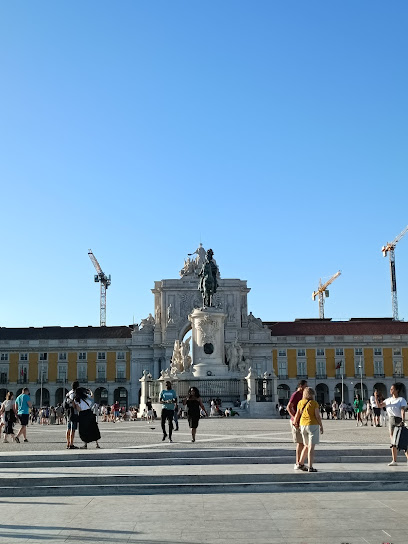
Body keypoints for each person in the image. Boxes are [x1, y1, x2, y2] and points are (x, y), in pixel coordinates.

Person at [376, 384, 408, 466]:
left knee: (403, 441)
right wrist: (376, 398)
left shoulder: (401, 400)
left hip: (398, 419)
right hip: (391, 420)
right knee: (393, 441)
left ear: (397, 390)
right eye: (390, 389)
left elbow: (402, 410)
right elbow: (379, 406)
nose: (390, 390)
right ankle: (394, 460)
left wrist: (403, 420)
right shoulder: (388, 400)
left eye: (392, 389)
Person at [296, 387, 324, 473]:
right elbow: (317, 416)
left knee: (306, 445)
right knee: (311, 447)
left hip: (303, 425)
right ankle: (310, 467)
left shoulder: (300, 402)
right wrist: (321, 425)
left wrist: (295, 422)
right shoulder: (314, 403)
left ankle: (300, 463)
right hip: (312, 425)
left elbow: (298, 413)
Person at [71, 384, 101, 449]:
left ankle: (85, 444)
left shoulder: (76, 400)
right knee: (93, 428)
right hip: (89, 413)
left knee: (83, 429)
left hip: (82, 415)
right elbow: (92, 396)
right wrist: (90, 391)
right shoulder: (86, 397)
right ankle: (97, 444)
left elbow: (78, 409)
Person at [286, 379, 308, 470]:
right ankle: (297, 463)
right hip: (296, 421)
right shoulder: (295, 395)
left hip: (301, 421)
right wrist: (294, 418)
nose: (306, 387)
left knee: (302, 442)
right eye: (305, 385)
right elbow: (288, 407)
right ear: (301, 386)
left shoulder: (303, 395)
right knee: (300, 442)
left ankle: (300, 462)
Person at [64, 383, 80, 449]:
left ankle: (67, 443)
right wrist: (77, 408)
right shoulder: (74, 393)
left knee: (68, 428)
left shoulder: (69, 393)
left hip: (68, 412)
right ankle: (71, 444)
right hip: (73, 412)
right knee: (72, 429)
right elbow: (73, 403)